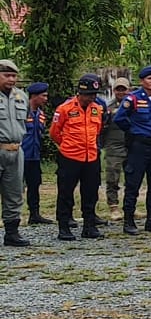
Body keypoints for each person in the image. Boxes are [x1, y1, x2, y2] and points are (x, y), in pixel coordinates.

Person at [48, 74, 107, 240]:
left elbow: (98, 130)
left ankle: (89, 226)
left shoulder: (97, 109)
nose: (92, 97)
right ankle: (64, 227)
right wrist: (67, 144)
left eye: (94, 94)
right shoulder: (64, 109)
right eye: (89, 94)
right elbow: (54, 133)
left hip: (91, 156)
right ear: (80, 92)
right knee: (66, 192)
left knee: (90, 192)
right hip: (70, 157)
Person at [114, 65, 151, 235]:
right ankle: (129, 220)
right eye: (149, 79)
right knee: (133, 183)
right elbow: (120, 118)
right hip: (139, 145)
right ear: (142, 81)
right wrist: (133, 132)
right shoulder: (133, 98)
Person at [0, 60, 30, 246]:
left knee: (14, 193)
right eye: (7, 75)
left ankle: (12, 233)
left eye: (14, 76)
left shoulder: (21, 96)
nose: (11, 79)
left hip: (15, 150)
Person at [23, 81, 52, 225]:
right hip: (20, 155)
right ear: (34, 96)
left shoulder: (40, 114)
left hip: (34, 156)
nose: (46, 99)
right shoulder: (22, 111)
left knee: (34, 185)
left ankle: (34, 214)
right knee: (12, 188)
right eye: (43, 96)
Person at [101, 77, 131, 221]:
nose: (121, 92)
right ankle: (113, 206)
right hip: (114, 146)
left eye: (123, 89)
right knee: (112, 177)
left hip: (131, 145)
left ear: (128, 90)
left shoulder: (134, 104)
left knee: (132, 178)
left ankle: (129, 207)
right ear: (114, 91)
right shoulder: (108, 107)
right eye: (118, 89)